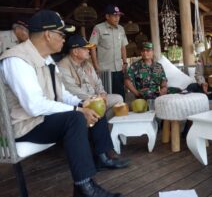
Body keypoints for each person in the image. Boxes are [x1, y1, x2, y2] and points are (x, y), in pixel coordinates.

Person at [0, 10, 124, 197]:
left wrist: (83, 103)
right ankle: (85, 188)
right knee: (74, 118)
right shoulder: (17, 60)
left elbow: (62, 94)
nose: (64, 39)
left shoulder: (47, 60)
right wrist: (77, 110)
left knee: (86, 111)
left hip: (42, 120)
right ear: (48, 35)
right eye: (61, 34)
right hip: (23, 126)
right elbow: (33, 105)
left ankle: (92, 174)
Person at [58, 34, 124, 117]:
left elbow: (97, 83)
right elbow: (73, 91)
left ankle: (104, 124)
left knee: (118, 99)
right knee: (100, 106)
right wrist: (95, 99)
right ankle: (100, 122)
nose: (88, 51)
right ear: (75, 52)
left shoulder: (87, 64)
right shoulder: (63, 66)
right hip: (80, 102)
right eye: (85, 49)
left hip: (95, 99)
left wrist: (102, 94)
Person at [89, 5, 128, 100]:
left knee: (120, 96)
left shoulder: (121, 29)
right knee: (106, 96)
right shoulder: (98, 28)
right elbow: (92, 47)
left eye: (119, 16)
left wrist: (125, 62)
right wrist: (96, 66)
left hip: (118, 69)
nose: (117, 18)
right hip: (105, 70)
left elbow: (123, 47)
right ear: (107, 16)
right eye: (114, 15)